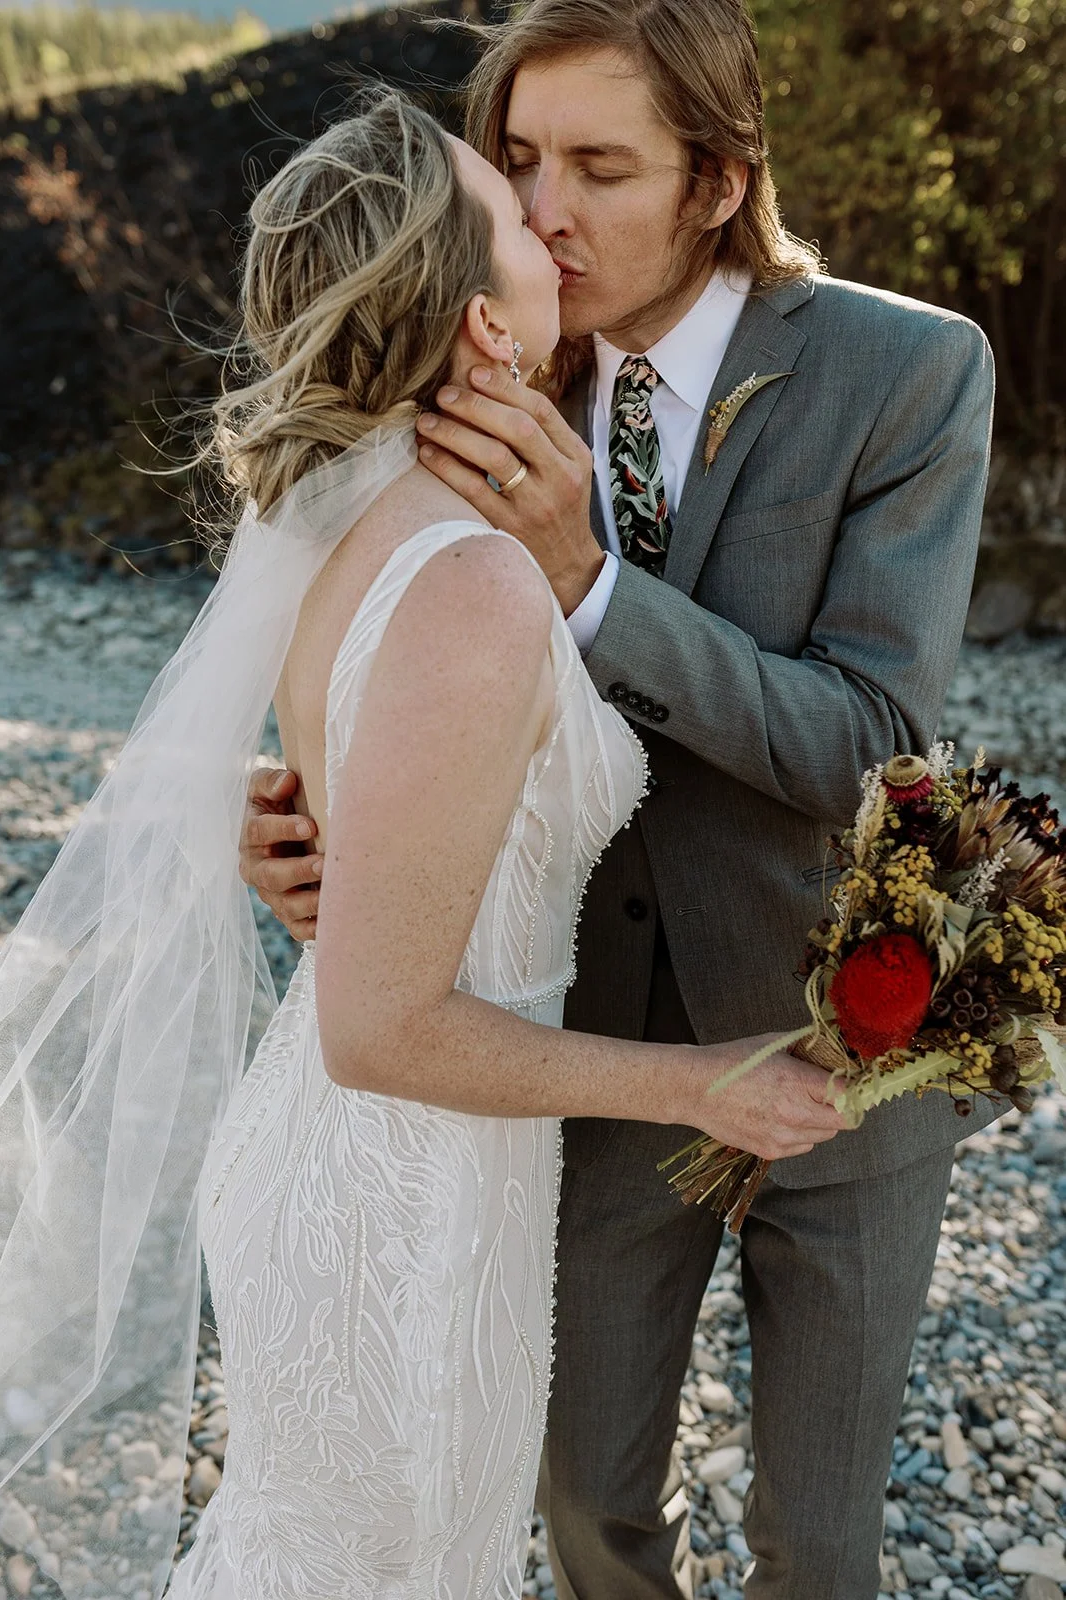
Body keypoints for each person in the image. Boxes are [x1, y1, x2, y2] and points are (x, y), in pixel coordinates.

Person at [0, 89, 842, 1600]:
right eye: (516, 211)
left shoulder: (356, 515)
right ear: (479, 329)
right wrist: (709, 1087)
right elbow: (379, 1024)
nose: (551, 221)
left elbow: (384, 854)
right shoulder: (467, 580)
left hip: (407, 1168)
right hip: (399, 1192)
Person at [242, 4, 997, 1597]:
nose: (545, 212)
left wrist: (589, 580)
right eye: (517, 162)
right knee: (584, 1510)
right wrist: (301, 813)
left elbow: (869, 741)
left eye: (599, 165)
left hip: (837, 1031)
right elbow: (381, 639)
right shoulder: (486, 340)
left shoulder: (908, 370)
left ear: (718, 180)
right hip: (575, 1060)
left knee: (818, 1537)